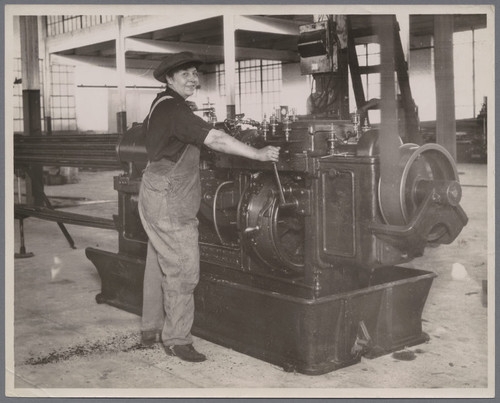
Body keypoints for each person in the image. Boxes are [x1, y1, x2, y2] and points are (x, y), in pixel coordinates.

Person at [138, 51, 280, 363]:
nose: (193, 79)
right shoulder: (176, 110)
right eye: (185, 74)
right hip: (169, 197)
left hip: (155, 190)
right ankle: (177, 338)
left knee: (158, 257)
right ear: (170, 78)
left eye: (194, 73)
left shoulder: (162, 103)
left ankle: (151, 327)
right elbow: (214, 139)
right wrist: (257, 154)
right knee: (183, 267)